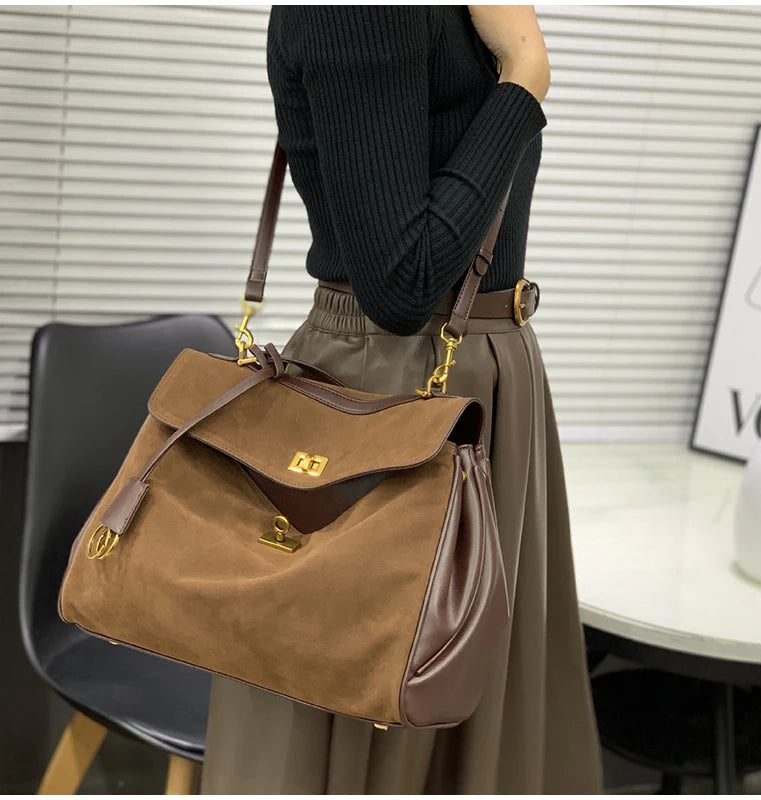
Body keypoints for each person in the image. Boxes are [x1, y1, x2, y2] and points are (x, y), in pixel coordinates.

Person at [200, 6, 603, 794]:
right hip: (397, 387)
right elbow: (404, 282)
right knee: (375, 709)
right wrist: (524, 71)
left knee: (447, 705)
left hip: (483, 378)